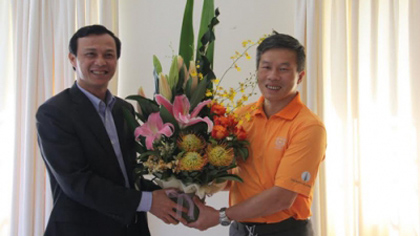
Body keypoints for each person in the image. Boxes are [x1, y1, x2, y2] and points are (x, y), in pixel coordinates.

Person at [36, 24, 186, 236]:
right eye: (90, 54)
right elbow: (77, 182)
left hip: (132, 229)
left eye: (109, 55)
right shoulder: (53, 113)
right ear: (72, 59)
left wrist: (168, 194)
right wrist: (149, 201)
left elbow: (125, 176)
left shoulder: (123, 109)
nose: (100, 62)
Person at [187, 33, 327, 236]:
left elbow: (282, 197)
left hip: (285, 231)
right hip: (240, 230)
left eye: (284, 69)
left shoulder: (308, 127)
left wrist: (220, 216)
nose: (273, 76)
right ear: (257, 71)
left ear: (300, 76)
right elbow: (235, 178)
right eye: (266, 67)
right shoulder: (240, 117)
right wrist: (193, 183)